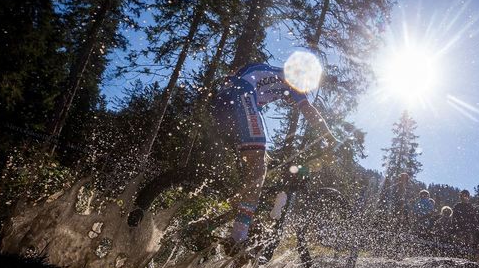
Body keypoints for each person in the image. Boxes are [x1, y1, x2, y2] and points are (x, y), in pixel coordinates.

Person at [129, 63, 339, 252]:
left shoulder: (274, 74)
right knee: (258, 169)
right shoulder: (295, 79)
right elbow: (308, 110)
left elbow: (240, 73)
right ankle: (238, 237)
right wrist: (330, 138)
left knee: (256, 171)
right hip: (242, 96)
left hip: (224, 101)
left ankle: (212, 222)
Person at [452, 189, 476, 255]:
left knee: (468, 245)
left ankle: (467, 256)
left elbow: (473, 218)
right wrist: (454, 228)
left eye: (466, 196)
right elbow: (454, 218)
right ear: (460, 196)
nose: (465, 197)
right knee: (458, 244)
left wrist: (472, 228)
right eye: (463, 195)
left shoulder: (470, 206)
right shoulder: (457, 206)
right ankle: (457, 255)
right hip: (459, 227)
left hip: (468, 228)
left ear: (468, 197)